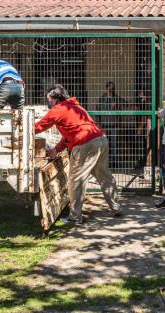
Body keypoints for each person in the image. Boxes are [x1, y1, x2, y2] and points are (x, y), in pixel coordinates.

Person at [36, 84, 121, 225]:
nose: (48, 102)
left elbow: (40, 126)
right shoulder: (76, 107)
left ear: (56, 98)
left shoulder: (58, 109)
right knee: (104, 176)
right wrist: (56, 149)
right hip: (101, 139)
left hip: (85, 144)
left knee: (76, 180)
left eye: (49, 99)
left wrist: (23, 130)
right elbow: (71, 133)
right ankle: (116, 206)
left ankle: (75, 217)